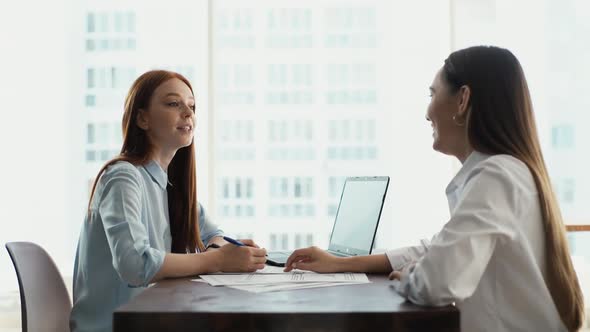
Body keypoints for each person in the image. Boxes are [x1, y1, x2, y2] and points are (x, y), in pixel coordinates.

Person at [284, 46, 585, 331]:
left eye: (433, 93)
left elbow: (436, 282)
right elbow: (437, 246)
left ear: (462, 100)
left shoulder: (496, 175)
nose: (427, 113)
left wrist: (412, 274)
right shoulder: (505, 172)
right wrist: (341, 263)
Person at [70, 70, 267, 332]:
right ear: (142, 118)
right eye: (174, 103)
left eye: (192, 106)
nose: (188, 113)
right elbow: (135, 265)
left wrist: (221, 251)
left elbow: (213, 234)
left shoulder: (169, 185)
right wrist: (218, 260)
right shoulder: (123, 177)